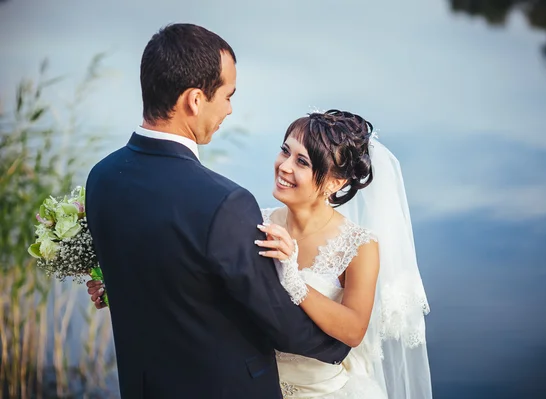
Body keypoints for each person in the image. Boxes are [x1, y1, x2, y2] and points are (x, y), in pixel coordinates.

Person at [84, 23, 351, 399]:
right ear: (195, 100)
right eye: (227, 95)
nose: (229, 108)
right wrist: (337, 348)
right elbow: (276, 319)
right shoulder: (224, 203)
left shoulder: (102, 178)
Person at [89, 108, 432, 398]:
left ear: (334, 183)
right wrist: (124, 284)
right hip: (253, 385)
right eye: (285, 151)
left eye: (303, 162)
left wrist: (293, 279)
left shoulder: (360, 245)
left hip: (324, 391)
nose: (284, 166)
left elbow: (354, 330)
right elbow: (213, 289)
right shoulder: (258, 221)